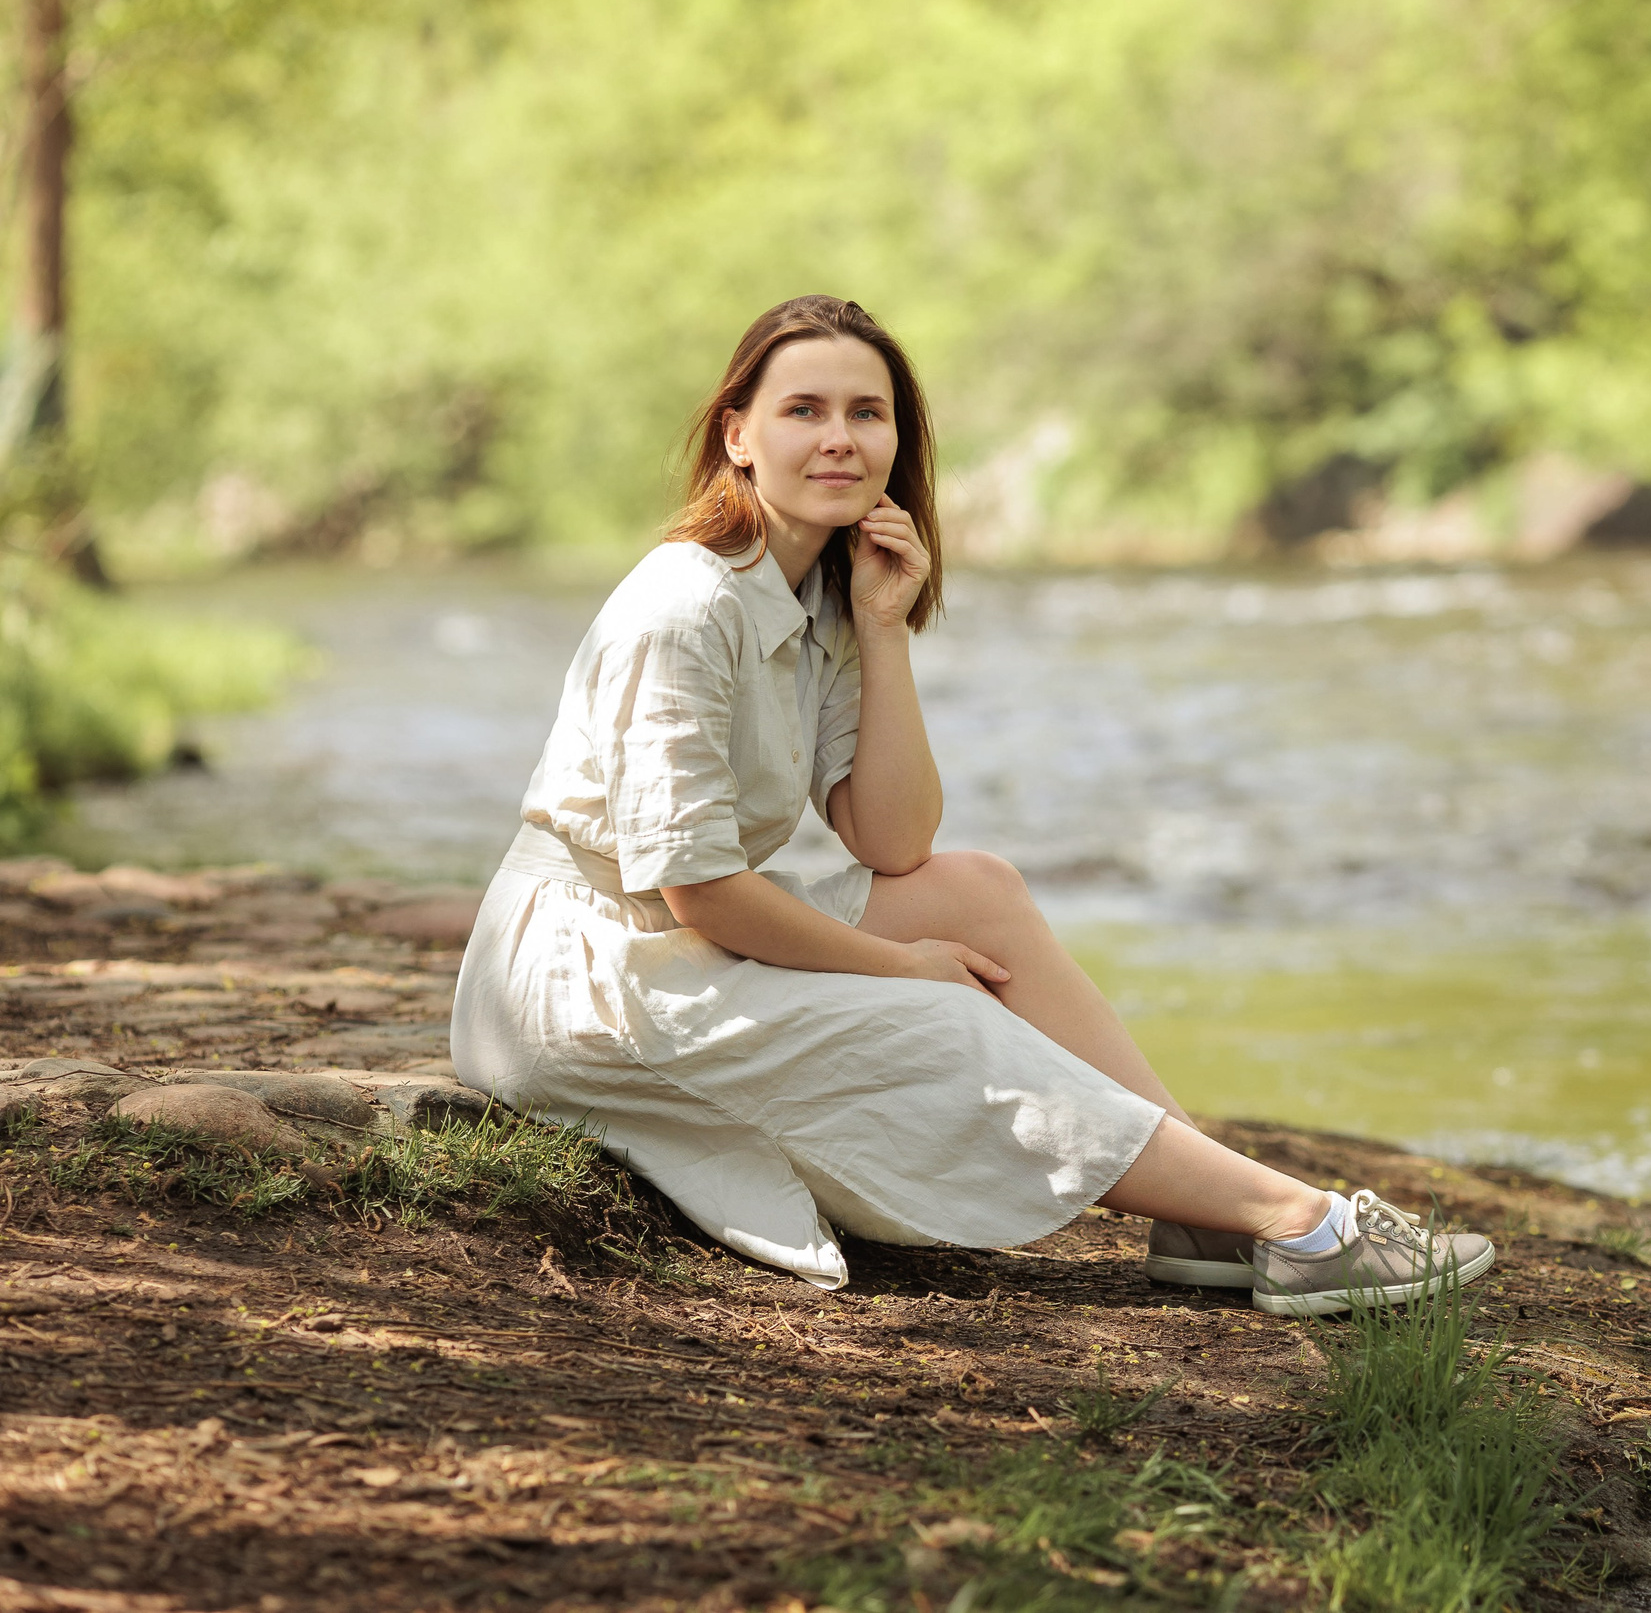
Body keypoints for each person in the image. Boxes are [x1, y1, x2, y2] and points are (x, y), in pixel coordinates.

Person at [449, 294, 1493, 1316]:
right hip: (577, 981)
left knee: (976, 893)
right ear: (738, 436)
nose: (839, 440)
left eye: (868, 414)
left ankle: (1209, 1214)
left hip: (664, 936)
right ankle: (1298, 1223)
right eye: (803, 411)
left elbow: (892, 840)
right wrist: (901, 967)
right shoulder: (686, 605)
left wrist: (883, 627)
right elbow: (702, 895)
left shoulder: (821, 590)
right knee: (936, 1012)